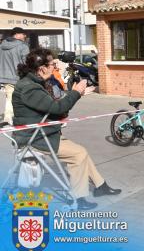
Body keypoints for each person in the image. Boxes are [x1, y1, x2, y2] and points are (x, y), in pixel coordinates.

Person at [12, 48, 120, 210]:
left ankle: (101, 186)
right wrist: (76, 93)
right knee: (79, 154)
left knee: (81, 152)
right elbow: (57, 107)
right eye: (53, 64)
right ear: (41, 68)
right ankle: (79, 199)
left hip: (44, 133)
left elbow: (55, 107)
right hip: (35, 138)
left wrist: (77, 94)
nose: (55, 67)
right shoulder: (30, 87)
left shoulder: (33, 83)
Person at [0, 27, 29, 124]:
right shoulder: (22, 46)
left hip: (5, 76)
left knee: (10, 96)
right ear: (16, 35)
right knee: (23, 97)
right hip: (19, 76)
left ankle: (10, 117)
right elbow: (27, 62)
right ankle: (9, 118)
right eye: (23, 34)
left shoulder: (2, 45)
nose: (25, 36)